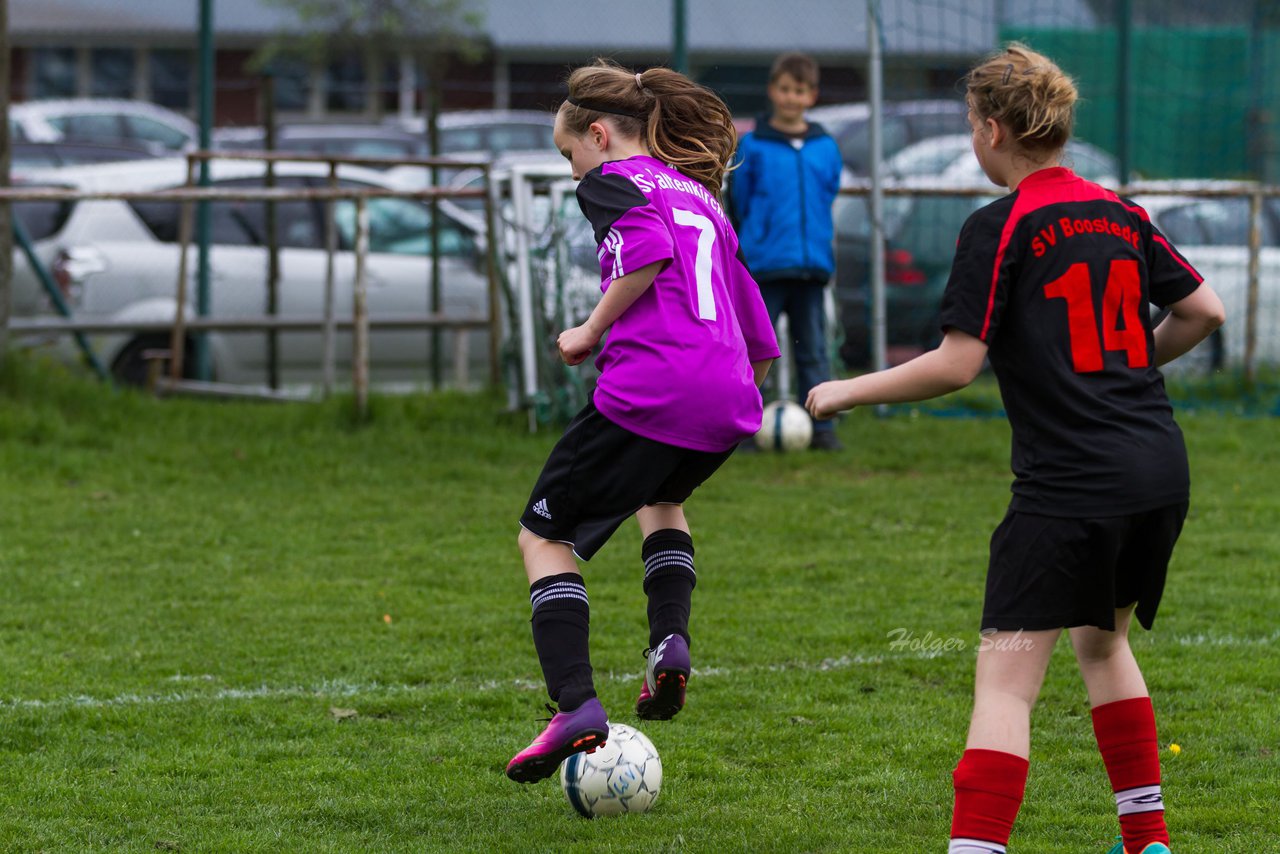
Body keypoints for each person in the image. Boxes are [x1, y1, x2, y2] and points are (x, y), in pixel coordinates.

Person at [806, 44, 1225, 854]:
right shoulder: (1121, 213)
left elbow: (958, 364)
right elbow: (1204, 310)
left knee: (1005, 678)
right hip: (1157, 468)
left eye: (971, 124)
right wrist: (1128, 360)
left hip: (1070, 484)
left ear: (993, 130)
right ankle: (1147, 841)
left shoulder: (1000, 227)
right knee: (1104, 644)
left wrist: (849, 388)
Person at [506, 59, 780, 784]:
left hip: (654, 386)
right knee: (662, 499)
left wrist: (589, 331)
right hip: (727, 395)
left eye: (570, 155)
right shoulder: (700, 196)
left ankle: (573, 705)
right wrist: (733, 390)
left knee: (542, 535)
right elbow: (755, 321)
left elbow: (648, 256)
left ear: (598, 134)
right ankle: (670, 644)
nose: (572, 175)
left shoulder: (612, 181)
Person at [728, 51, 845, 451]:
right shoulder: (753, 145)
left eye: (800, 90)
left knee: (813, 350)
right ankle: (739, 427)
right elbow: (739, 202)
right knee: (752, 349)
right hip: (764, 266)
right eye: (784, 89)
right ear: (772, 91)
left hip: (811, 267)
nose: (791, 97)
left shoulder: (825, 146)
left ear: (811, 95)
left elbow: (828, 191)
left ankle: (822, 428)